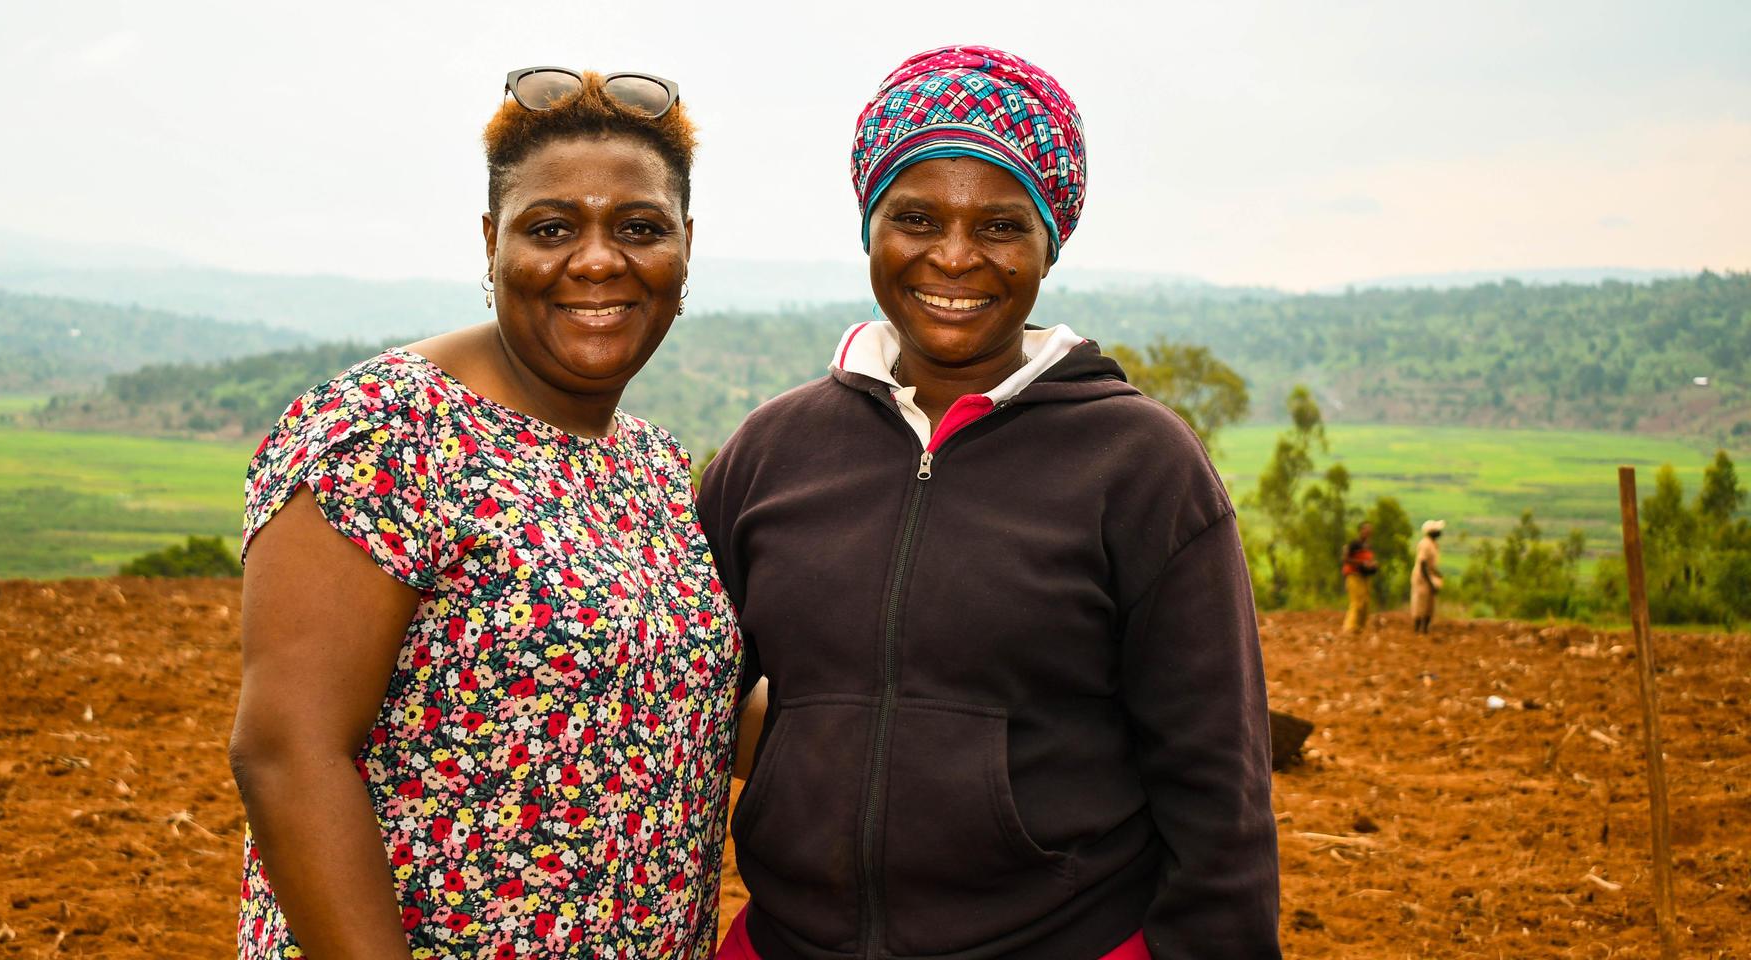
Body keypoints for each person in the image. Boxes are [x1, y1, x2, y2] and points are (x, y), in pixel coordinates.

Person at [700, 45, 1280, 960]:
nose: (956, 257)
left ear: (1051, 242)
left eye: (1003, 225)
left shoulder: (1141, 466)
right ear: (869, 230)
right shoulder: (772, 453)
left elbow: (1218, 783)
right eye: (917, 216)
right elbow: (681, 702)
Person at [228, 68, 740, 960]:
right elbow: (286, 753)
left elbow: (679, 708)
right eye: (551, 228)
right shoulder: (388, 431)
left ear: (685, 248)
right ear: (490, 242)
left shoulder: (653, 466)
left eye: (640, 228)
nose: (596, 260)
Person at [1341, 520, 1379, 634]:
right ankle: (1349, 628)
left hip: (1364, 577)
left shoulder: (1368, 546)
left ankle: (1360, 628)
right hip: (1353, 575)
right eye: (1365, 530)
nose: (1368, 532)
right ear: (1360, 531)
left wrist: (1373, 565)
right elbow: (1345, 559)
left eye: (1369, 530)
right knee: (1356, 602)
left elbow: (1369, 560)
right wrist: (1361, 563)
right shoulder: (1354, 544)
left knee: (1365, 603)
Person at [1411, 519, 1446, 634]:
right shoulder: (1425, 544)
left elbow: (1431, 564)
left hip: (1429, 575)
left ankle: (1425, 629)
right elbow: (1423, 564)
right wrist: (1430, 582)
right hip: (1422, 577)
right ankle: (1417, 630)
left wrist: (1437, 573)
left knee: (1429, 604)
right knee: (1421, 603)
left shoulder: (1433, 544)